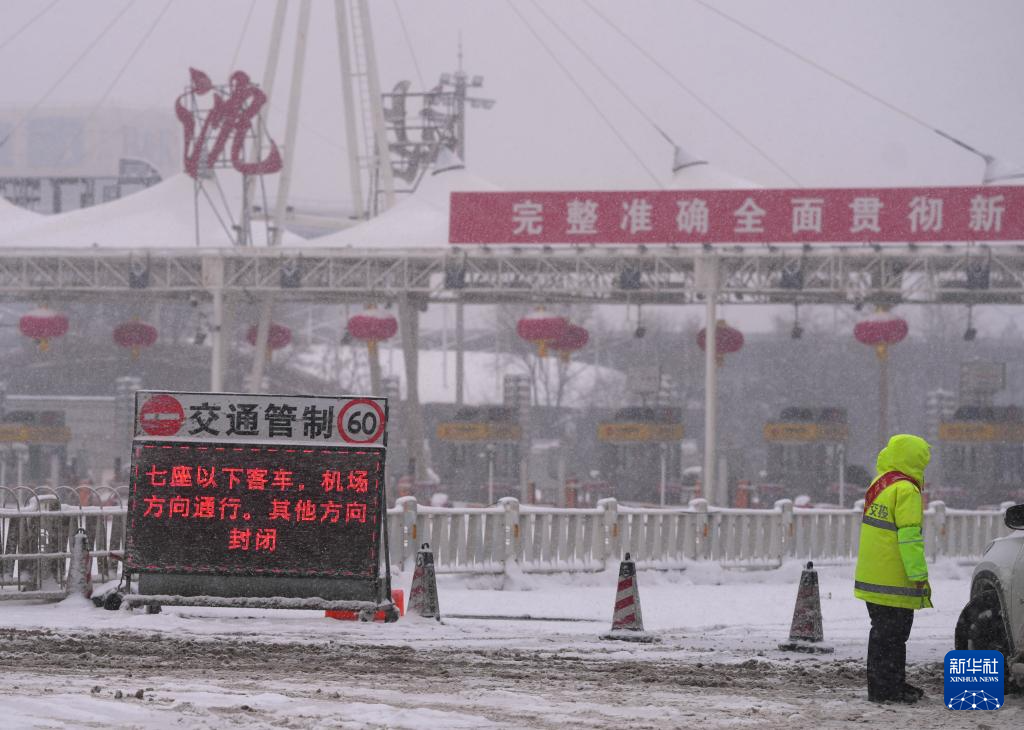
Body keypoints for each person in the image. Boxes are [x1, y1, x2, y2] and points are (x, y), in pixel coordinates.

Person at [853, 434, 932, 704]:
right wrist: (918, 575)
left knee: (881, 635)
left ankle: (884, 685)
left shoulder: (881, 483)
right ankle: (889, 689)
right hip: (894, 578)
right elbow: (909, 537)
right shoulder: (907, 490)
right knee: (895, 636)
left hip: (872, 575)